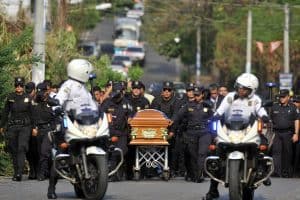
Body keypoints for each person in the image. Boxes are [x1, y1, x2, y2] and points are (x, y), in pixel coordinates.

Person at [204, 73, 270, 200]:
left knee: (262, 144)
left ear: (251, 90)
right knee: (216, 151)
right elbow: (221, 109)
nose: (241, 90)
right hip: (230, 128)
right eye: (239, 87)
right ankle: (213, 188)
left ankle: (262, 172)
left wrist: (265, 116)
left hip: (248, 129)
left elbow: (260, 109)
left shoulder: (255, 99)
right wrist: (215, 116)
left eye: (244, 88)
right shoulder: (229, 97)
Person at [47, 59, 98, 199]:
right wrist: (56, 106)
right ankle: (51, 188)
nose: (89, 74)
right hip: (67, 122)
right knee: (62, 153)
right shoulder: (68, 86)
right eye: (87, 72)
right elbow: (59, 99)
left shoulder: (85, 89)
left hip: (82, 123)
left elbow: (91, 106)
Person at [173, 86, 213, 182]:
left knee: (202, 153)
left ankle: (199, 174)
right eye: (194, 95)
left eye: (198, 95)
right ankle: (194, 174)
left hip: (205, 132)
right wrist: (171, 123)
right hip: (192, 133)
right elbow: (178, 116)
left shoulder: (208, 105)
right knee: (193, 154)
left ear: (202, 95)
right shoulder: (188, 105)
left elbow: (215, 119)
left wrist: (215, 134)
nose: (196, 97)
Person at [0, 77, 36, 181]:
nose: (18, 87)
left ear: (23, 86)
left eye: (20, 85)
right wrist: (2, 126)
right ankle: (16, 172)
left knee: (22, 147)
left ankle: (19, 173)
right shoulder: (10, 97)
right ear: (15, 86)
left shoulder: (28, 98)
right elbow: (5, 113)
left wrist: (34, 128)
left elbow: (32, 114)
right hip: (12, 127)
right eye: (17, 85)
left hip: (25, 127)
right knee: (14, 149)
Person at [270, 89, 299, 178]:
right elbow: (270, 120)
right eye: (280, 97)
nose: (281, 98)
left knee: (287, 153)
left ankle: (286, 172)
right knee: (276, 152)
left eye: (283, 97)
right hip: (277, 133)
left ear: (288, 97)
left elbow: (297, 120)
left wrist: (296, 133)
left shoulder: (293, 107)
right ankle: (277, 172)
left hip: (288, 133)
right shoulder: (275, 107)